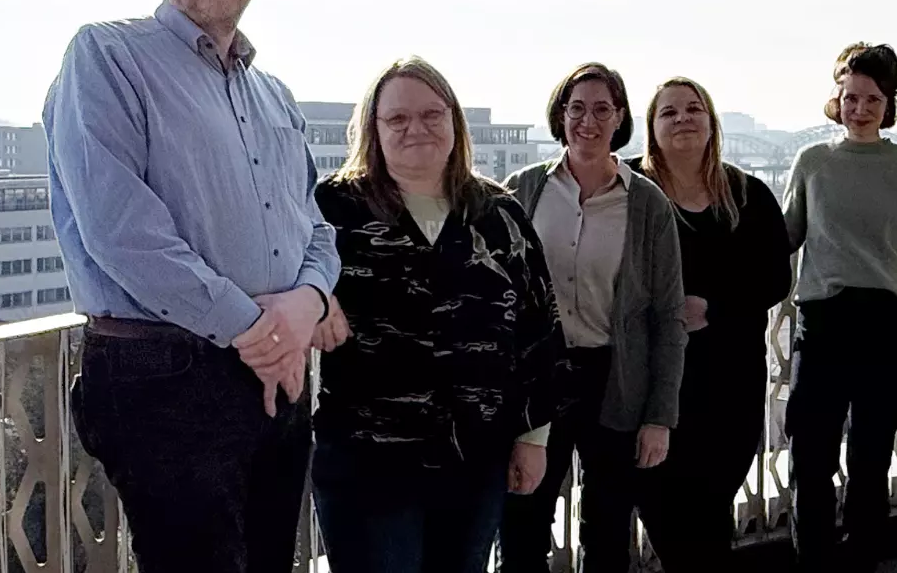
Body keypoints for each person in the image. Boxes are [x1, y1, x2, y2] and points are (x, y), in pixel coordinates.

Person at [43, 0, 340, 572]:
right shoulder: (107, 57)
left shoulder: (273, 94)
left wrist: (307, 302)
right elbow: (122, 232)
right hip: (166, 376)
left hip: (276, 374)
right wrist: (259, 330)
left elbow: (316, 226)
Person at [309, 57, 564, 573]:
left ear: (454, 122)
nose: (416, 128)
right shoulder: (330, 210)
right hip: (368, 459)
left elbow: (539, 330)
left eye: (431, 114)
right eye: (397, 118)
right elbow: (279, 277)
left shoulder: (500, 214)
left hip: (476, 460)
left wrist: (532, 438)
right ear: (373, 128)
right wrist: (312, 299)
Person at [498, 63, 687, 573]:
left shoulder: (647, 204)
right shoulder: (524, 190)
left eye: (602, 109)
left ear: (620, 117)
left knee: (607, 529)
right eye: (577, 108)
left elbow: (668, 315)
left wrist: (659, 417)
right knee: (523, 521)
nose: (588, 121)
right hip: (539, 377)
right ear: (560, 116)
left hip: (614, 377)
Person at [781, 42, 897, 571]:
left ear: (889, 104)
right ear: (837, 99)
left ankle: (861, 561)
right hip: (823, 324)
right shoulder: (813, 162)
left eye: (872, 99)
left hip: (885, 327)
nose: (860, 108)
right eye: (851, 97)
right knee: (810, 457)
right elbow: (784, 236)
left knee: (870, 461)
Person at [627, 77, 794, 571]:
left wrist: (714, 308)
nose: (683, 118)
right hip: (651, 382)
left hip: (730, 382)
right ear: (651, 128)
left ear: (711, 122)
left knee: (711, 507)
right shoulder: (629, 190)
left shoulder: (747, 193)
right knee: (662, 505)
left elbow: (776, 277)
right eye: (669, 112)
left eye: (694, 108)